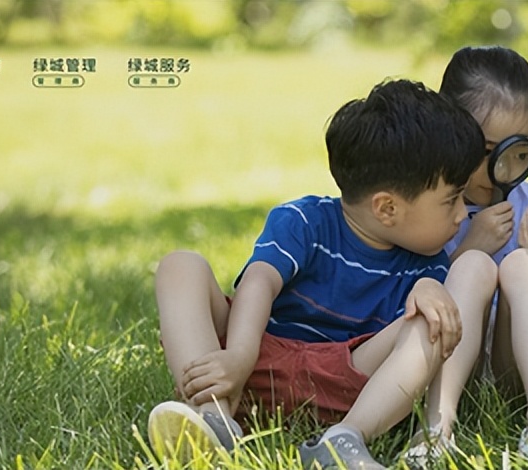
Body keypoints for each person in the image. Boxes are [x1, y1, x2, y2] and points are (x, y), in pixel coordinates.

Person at [145, 79, 486, 469]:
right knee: (180, 266)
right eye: (452, 199)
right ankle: (212, 414)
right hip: (256, 363)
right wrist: (239, 356)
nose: (463, 214)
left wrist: (429, 287)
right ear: (387, 208)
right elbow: (259, 282)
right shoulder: (305, 221)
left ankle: (344, 439)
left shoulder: (427, 262)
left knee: (432, 318)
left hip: (348, 382)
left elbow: (420, 340)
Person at [401, 45, 528, 464]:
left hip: (519, 368)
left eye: (520, 151)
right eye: (487, 150)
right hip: (441, 362)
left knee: (522, 263)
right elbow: (404, 299)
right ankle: (438, 425)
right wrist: (466, 248)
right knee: (476, 265)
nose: (503, 167)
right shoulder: (431, 205)